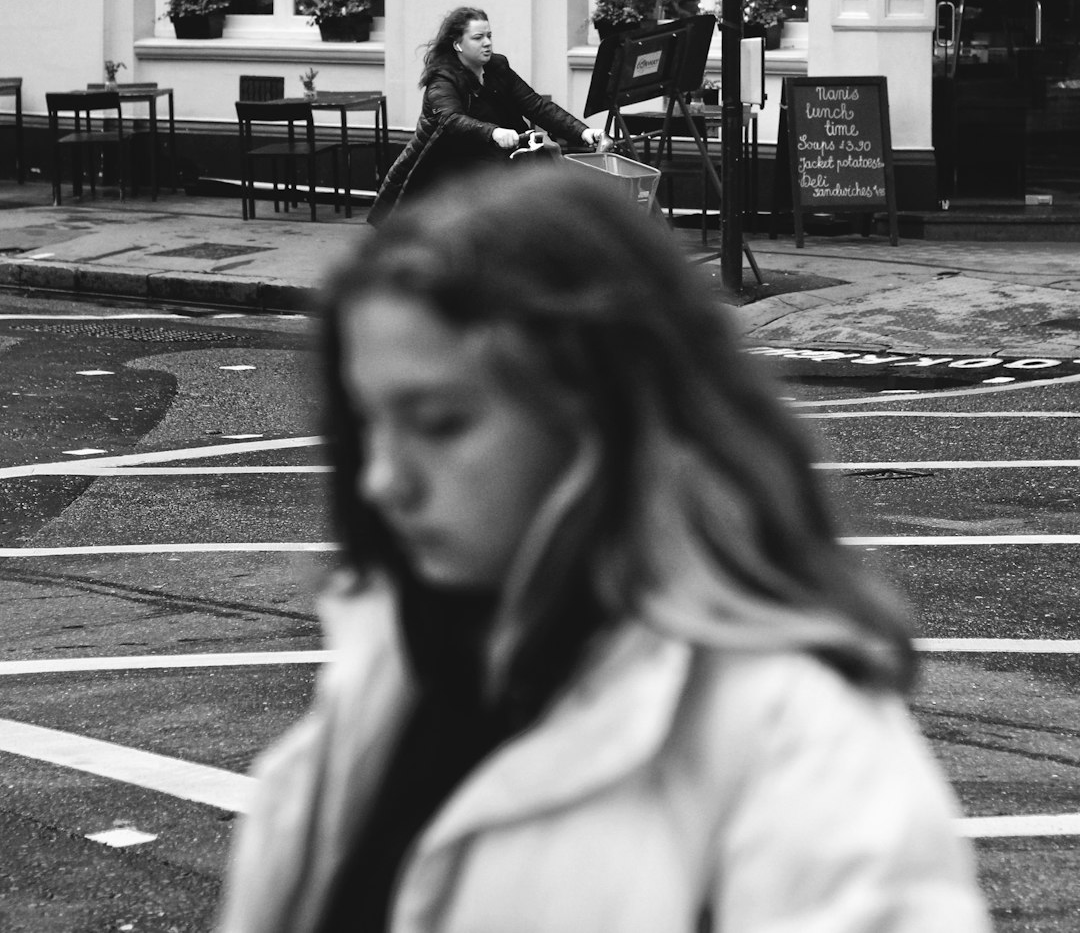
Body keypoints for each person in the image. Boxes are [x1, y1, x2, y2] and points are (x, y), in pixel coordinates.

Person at [216, 168, 990, 933]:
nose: (383, 481)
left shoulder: (798, 745)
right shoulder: (385, 666)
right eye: (367, 426)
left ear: (597, 415)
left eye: (441, 422)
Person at [367, 5, 608, 225]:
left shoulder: (497, 68)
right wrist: (494, 132)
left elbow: (536, 106)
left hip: (496, 161)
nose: (487, 43)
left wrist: (583, 131)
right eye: (478, 37)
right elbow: (452, 120)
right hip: (449, 169)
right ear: (457, 44)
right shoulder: (442, 81)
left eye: (489, 36)